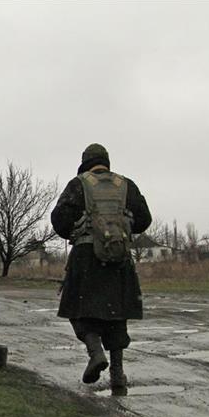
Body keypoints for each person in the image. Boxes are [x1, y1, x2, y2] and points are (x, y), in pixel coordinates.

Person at [51, 143, 151, 395]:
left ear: (85, 163)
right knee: (117, 315)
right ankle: (118, 374)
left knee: (79, 310)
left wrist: (79, 229)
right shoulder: (126, 185)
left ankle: (95, 352)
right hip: (119, 258)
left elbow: (59, 220)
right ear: (107, 162)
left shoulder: (78, 185)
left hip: (85, 257)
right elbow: (144, 219)